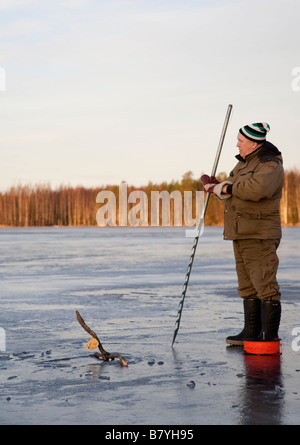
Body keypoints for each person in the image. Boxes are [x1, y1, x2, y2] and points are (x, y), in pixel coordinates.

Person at [201, 122, 284, 346]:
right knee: (247, 285)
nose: (237, 144)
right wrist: (216, 187)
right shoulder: (243, 165)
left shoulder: (269, 163)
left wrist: (225, 188)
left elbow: (257, 190)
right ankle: (251, 331)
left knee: (264, 283)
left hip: (259, 233)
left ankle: (268, 337)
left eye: (241, 140)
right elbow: (235, 191)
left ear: (255, 142)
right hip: (240, 232)